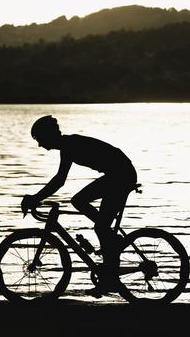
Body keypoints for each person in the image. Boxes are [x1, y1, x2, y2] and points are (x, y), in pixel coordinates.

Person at [21, 115, 138, 297]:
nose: (39, 145)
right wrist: (37, 197)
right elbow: (60, 180)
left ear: (48, 136)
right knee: (99, 224)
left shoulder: (69, 145)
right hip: (119, 173)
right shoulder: (67, 146)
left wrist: (36, 198)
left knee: (86, 210)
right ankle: (110, 266)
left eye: (39, 139)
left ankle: (109, 274)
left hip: (121, 175)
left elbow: (59, 181)